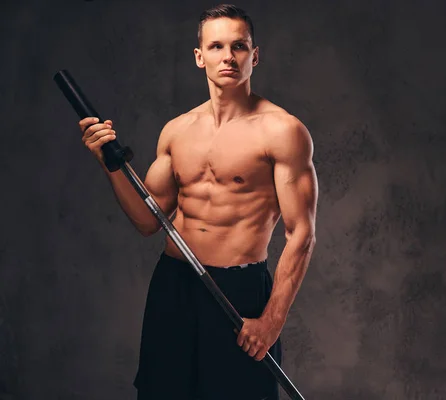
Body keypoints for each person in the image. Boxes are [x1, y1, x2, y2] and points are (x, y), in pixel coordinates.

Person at [78, 4, 318, 399]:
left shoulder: (283, 131)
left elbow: (301, 233)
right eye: (217, 46)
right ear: (199, 56)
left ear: (254, 55)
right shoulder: (177, 131)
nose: (228, 56)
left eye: (239, 46)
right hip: (174, 284)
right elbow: (147, 219)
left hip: (238, 290)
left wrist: (272, 321)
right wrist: (108, 162)